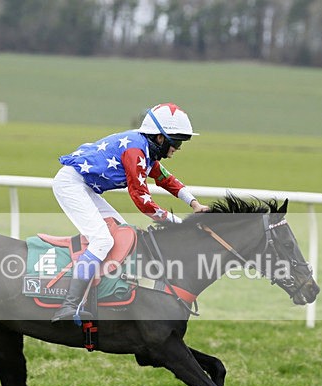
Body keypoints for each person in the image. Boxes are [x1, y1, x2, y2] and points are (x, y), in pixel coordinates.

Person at [51, 102, 209, 323]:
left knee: (124, 234)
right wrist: (179, 223)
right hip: (71, 185)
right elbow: (143, 202)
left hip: (84, 186)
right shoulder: (135, 151)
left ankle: (109, 290)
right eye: (177, 142)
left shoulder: (145, 147)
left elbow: (165, 179)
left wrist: (193, 203)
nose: (178, 149)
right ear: (160, 138)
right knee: (103, 241)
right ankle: (68, 305)